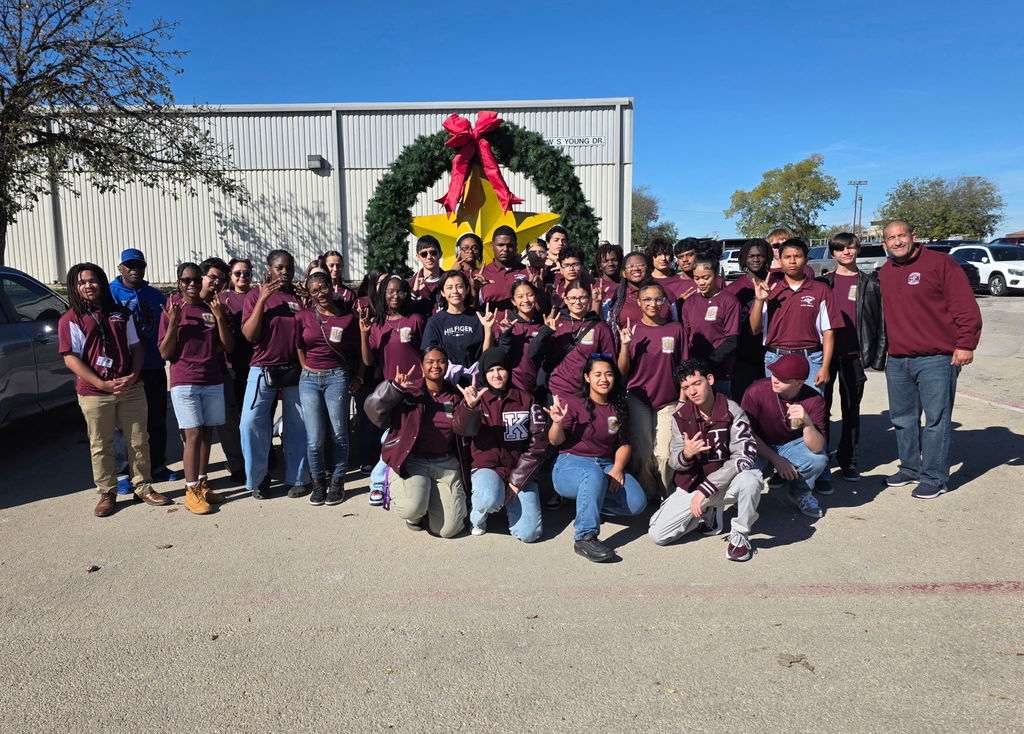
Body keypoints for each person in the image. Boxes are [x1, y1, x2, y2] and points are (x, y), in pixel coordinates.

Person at [877, 220, 982, 498]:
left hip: (937, 357)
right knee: (903, 418)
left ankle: (934, 476)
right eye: (891, 238)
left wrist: (965, 344)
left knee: (937, 419)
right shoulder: (886, 272)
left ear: (914, 236)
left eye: (901, 236)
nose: (897, 241)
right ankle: (910, 468)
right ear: (884, 243)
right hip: (898, 359)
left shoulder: (941, 264)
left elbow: (964, 306)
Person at [58, 263, 170, 516]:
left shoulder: (120, 313)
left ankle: (143, 486)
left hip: (130, 387)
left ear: (102, 282)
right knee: (101, 443)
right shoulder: (71, 319)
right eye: (82, 282)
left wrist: (133, 375)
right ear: (74, 287)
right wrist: (101, 383)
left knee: (139, 439)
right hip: (95, 392)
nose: (88, 286)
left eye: (93, 280)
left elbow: (137, 348)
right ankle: (107, 492)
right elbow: (71, 357)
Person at [648, 359, 762, 562]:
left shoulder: (732, 410)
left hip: (724, 485)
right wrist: (687, 454)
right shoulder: (680, 417)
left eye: (696, 383)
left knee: (751, 479)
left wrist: (707, 489)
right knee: (658, 536)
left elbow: (745, 456)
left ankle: (740, 536)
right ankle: (708, 512)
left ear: (709, 380)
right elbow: (674, 462)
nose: (692, 391)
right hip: (694, 486)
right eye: (686, 387)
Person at [547, 356, 648, 562]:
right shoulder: (575, 403)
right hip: (570, 464)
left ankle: (588, 506)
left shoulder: (617, 407)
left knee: (637, 503)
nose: (604, 379)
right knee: (592, 474)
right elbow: (555, 441)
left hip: (604, 464)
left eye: (609, 374)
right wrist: (557, 423)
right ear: (587, 378)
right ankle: (584, 536)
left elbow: (624, 444)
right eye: (598, 374)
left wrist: (618, 468)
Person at [364, 348, 468, 537]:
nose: (436, 365)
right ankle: (415, 510)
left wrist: (470, 407)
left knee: (447, 530)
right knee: (411, 509)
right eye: (430, 361)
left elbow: (467, 431)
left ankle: (429, 506)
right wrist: (394, 389)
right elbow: (373, 411)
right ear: (421, 365)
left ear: (447, 365)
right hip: (413, 461)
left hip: (445, 463)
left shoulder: (455, 395)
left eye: (441, 361)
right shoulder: (409, 392)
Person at [158, 260, 233, 515]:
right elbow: (165, 353)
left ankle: (202, 484)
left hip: (212, 379)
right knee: (193, 436)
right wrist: (172, 323)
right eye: (185, 280)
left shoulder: (210, 308)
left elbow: (227, 347)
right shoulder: (172, 309)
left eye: (195, 279)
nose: (191, 284)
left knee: (207, 434)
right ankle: (190, 491)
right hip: (185, 382)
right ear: (179, 282)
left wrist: (221, 317)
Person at [453, 348, 547, 541]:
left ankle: (507, 504)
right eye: (491, 370)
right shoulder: (476, 398)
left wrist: (517, 481)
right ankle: (478, 516)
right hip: (487, 468)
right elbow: (462, 430)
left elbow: (538, 443)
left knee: (529, 534)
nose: (496, 375)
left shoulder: (526, 400)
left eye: (501, 369)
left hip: (518, 469)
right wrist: (469, 407)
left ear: (509, 371)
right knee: (488, 498)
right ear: (484, 374)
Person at [817, 233, 887, 485]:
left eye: (851, 248)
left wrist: (878, 358)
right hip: (824, 355)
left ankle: (849, 460)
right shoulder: (822, 284)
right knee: (820, 410)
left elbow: (881, 323)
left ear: (857, 250)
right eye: (840, 249)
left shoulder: (871, 284)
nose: (846, 252)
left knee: (851, 410)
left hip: (854, 355)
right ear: (833, 253)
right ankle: (820, 460)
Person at [240, 249, 310, 500]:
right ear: (269, 268)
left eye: (289, 268)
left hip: (294, 368)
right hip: (262, 368)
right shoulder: (254, 296)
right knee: (250, 424)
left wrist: (307, 301)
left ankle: (299, 477)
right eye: (279, 267)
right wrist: (262, 299)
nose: (285, 272)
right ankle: (259, 478)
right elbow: (249, 334)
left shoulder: (297, 297)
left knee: (298, 425)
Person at [361, 275, 426, 506]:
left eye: (400, 291)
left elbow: (425, 354)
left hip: (417, 388)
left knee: (411, 435)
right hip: (392, 390)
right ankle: (377, 482)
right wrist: (364, 333)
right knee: (390, 436)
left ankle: (397, 479)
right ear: (383, 295)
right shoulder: (378, 325)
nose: (395, 296)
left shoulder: (416, 320)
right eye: (390, 292)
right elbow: (369, 361)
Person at [296, 270, 361, 505]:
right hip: (309, 379)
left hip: (337, 378)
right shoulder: (303, 316)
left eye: (323, 288)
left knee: (339, 434)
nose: (320, 293)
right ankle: (318, 482)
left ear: (332, 288)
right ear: (310, 294)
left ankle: (337, 481)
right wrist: (306, 367)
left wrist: (360, 376)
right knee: (314, 438)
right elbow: (299, 345)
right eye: (315, 291)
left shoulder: (348, 318)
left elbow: (360, 350)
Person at [616, 281, 685, 500]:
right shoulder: (633, 330)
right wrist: (625, 346)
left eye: (658, 299)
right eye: (647, 299)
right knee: (643, 453)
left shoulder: (676, 329)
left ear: (665, 301)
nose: (653, 304)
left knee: (664, 454)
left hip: (668, 399)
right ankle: (648, 493)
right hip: (638, 398)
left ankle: (666, 493)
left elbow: (684, 368)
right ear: (638, 302)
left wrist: (683, 400)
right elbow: (622, 371)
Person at [109, 248, 172, 485]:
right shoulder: (110, 293)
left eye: (139, 266)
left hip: (154, 365)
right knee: (123, 424)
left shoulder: (156, 296)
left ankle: (157, 465)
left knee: (156, 419)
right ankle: (124, 472)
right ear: (120, 268)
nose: (135, 270)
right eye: (130, 266)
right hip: (124, 369)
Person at [741, 354, 827, 519]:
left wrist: (807, 422)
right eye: (774, 374)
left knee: (818, 460)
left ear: (799, 383)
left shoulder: (814, 400)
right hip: (757, 443)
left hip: (790, 445)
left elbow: (816, 447)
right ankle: (745, 501)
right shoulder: (755, 391)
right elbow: (746, 434)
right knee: (744, 470)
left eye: (782, 378)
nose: (775, 379)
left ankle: (800, 493)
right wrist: (775, 459)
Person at [749, 238, 840, 393]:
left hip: (811, 358)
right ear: (780, 260)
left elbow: (829, 332)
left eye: (797, 256)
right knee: (779, 412)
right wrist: (759, 300)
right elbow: (755, 329)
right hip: (776, 357)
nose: (792, 261)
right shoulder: (769, 288)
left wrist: (825, 367)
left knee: (811, 410)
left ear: (806, 259)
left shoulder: (821, 290)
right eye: (787, 257)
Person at [529, 282, 615, 403]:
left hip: (588, 394)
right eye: (573, 298)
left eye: (582, 297)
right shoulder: (556, 323)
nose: (577, 302)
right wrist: (545, 331)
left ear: (590, 298)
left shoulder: (601, 327)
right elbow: (533, 353)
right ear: (565, 299)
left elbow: (609, 361)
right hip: (556, 391)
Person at [681, 252, 741, 396]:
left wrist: (709, 362)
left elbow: (732, 339)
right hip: (695, 371)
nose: (701, 282)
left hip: (720, 371)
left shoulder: (729, 301)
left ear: (716, 275)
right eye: (697, 278)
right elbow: (686, 334)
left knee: (720, 409)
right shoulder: (690, 302)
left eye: (706, 277)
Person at [218, 257, 255, 482]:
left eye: (247, 273)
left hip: (254, 363)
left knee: (254, 415)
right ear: (230, 277)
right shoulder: (222, 299)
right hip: (231, 365)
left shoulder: (257, 296)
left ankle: (260, 453)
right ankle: (237, 462)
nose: (243, 277)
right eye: (238, 273)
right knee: (232, 419)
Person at [726, 238, 771, 403]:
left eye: (760, 255)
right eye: (751, 256)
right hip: (744, 354)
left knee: (771, 402)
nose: (756, 259)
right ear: (744, 258)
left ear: (768, 258)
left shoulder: (779, 283)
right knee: (744, 401)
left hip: (773, 352)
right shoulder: (734, 289)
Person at [423, 270, 486, 386]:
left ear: (467, 290)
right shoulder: (435, 321)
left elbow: (487, 351)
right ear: (442, 292)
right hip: (447, 381)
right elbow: (429, 353)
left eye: (459, 286)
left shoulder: (479, 317)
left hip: (477, 380)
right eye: (449, 287)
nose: (455, 291)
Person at [495, 280, 545, 396]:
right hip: (514, 387)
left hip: (539, 386)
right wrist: (505, 334)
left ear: (536, 297)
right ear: (513, 301)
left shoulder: (543, 323)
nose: (526, 300)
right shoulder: (507, 323)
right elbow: (501, 357)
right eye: (520, 296)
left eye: (530, 295)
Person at [608, 251, 672, 328]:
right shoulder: (615, 297)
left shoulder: (666, 293)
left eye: (641, 265)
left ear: (650, 270)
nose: (635, 268)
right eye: (630, 266)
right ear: (624, 273)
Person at [479, 225, 529, 311]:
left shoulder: (528, 272)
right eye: (500, 245)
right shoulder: (481, 275)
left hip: (523, 324)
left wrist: (538, 290)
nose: (505, 249)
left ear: (516, 246)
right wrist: (474, 289)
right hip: (491, 324)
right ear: (492, 246)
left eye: (509, 245)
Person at [408, 236, 444, 316]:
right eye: (424, 254)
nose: (429, 257)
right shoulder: (410, 284)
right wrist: (415, 292)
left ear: (440, 254)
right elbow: (404, 314)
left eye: (433, 252)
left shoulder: (449, 281)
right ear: (418, 257)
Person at [548, 245, 588, 309]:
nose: (571, 269)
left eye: (575, 264)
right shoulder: (554, 290)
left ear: (582, 266)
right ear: (561, 268)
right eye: (566, 265)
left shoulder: (589, 290)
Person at [592, 242, 623, 307]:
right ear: (599, 265)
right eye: (605, 261)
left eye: (614, 260)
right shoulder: (594, 286)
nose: (610, 264)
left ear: (620, 262)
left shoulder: (628, 284)